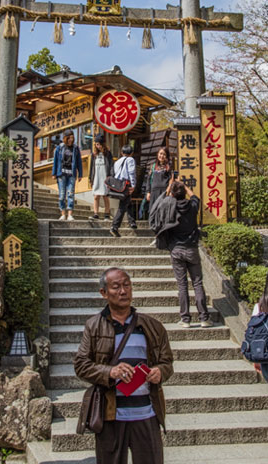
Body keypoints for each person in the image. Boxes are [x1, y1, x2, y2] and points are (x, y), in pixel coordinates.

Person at [74, 267, 173, 464]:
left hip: (147, 413)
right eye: (116, 287)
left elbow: (167, 362)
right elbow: (81, 365)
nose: (123, 291)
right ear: (104, 293)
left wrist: (159, 372)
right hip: (111, 415)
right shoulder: (94, 326)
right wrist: (111, 371)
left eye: (127, 285)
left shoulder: (153, 326)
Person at [155, 181, 210, 328]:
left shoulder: (170, 207)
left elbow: (160, 204)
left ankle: (185, 319)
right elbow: (195, 198)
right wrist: (186, 187)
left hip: (176, 249)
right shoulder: (192, 206)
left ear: (172, 194)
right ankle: (204, 318)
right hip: (192, 248)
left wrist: (169, 189)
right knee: (197, 283)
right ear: (184, 192)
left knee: (182, 285)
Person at [52, 129, 83, 221]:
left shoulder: (75, 148)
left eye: (72, 138)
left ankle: (70, 214)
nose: (71, 140)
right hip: (61, 173)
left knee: (70, 194)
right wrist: (54, 173)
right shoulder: (60, 148)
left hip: (71, 174)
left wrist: (80, 174)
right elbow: (55, 161)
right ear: (65, 138)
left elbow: (79, 162)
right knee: (62, 194)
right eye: (69, 138)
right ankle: (62, 213)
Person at [110, 144, 137, 238]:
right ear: (131, 153)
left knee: (128, 202)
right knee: (122, 206)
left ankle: (132, 222)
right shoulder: (130, 160)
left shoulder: (117, 161)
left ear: (122, 152)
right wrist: (133, 185)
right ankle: (114, 226)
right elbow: (131, 172)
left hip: (119, 185)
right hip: (126, 184)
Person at [143, 147, 174, 222]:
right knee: (153, 211)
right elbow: (148, 179)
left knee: (163, 212)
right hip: (154, 192)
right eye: (160, 153)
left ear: (166, 156)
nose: (162, 156)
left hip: (164, 192)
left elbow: (171, 179)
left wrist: (168, 190)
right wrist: (148, 192)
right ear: (157, 154)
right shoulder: (153, 166)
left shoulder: (168, 166)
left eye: (164, 154)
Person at [88, 134, 114, 220]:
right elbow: (91, 167)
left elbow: (111, 166)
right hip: (96, 177)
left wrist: (110, 177)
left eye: (99, 144)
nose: (97, 146)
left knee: (105, 196)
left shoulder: (107, 153)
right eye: (96, 144)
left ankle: (107, 214)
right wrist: (90, 179)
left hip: (105, 177)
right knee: (96, 196)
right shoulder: (94, 154)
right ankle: (96, 214)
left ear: (103, 144)